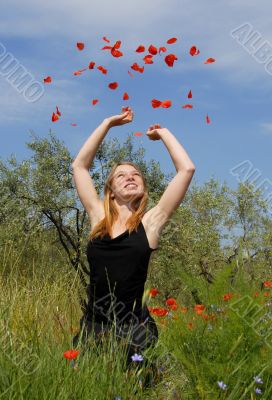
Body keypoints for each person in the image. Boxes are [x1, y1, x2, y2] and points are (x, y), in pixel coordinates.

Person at [71, 106, 196, 371]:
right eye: (121, 175)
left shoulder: (151, 223)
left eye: (136, 174)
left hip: (135, 330)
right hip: (94, 327)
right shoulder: (97, 219)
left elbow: (186, 169)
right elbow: (80, 166)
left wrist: (162, 133)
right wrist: (107, 122)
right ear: (111, 191)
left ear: (142, 188)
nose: (130, 177)